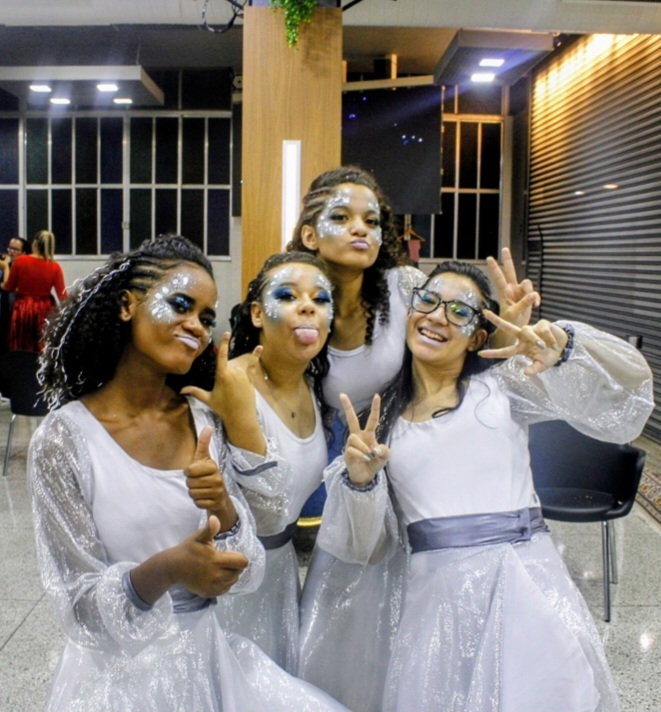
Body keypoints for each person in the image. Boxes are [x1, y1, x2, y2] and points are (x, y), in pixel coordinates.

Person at [28, 235, 349, 712]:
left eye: (207, 317)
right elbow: (81, 609)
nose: (196, 327)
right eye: (181, 305)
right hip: (117, 684)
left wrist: (222, 505)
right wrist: (170, 568)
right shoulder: (64, 439)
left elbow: (248, 569)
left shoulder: (201, 422)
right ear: (126, 305)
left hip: (207, 663)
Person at [318, 260, 655, 712]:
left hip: (528, 590)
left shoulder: (504, 389)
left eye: (459, 311)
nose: (438, 317)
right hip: (437, 610)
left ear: (478, 337)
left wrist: (564, 349)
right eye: (428, 300)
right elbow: (368, 548)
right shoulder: (381, 423)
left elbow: (628, 400)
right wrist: (360, 484)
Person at [288, 165, 538, 711]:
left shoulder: (404, 289)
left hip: (423, 452)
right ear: (310, 234)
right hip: (362, 468)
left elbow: (453, 336)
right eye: (342, 217)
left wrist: (507, 328)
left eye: (372, 220)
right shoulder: (298, 302)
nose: (360, 229)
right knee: (358, 647)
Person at [186, 251, 334, 674]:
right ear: (256, 314)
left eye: (320, 299)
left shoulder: (316, 386)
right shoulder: (228, 386)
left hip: (280, 575)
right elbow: (258, 515)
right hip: (227, 586)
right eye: (288, 296)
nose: (307, 307)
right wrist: (240, 420)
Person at [2, 229, 67, 351]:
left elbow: (9, 287)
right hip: (45, 309)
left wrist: (5, 271)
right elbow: (63, 297)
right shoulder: (55, 267)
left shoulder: (20, 261)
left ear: (35, 244)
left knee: (21, 345)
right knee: (41, 345)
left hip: (23, 307)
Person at [0, 236, 28, 354]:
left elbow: (9, 287)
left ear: (24, 252)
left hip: (20, 311)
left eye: (16, 250)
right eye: (10, 248)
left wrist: (6, 268)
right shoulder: (7, 265)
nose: (11, 252)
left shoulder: (25, 268)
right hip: (5, 310)